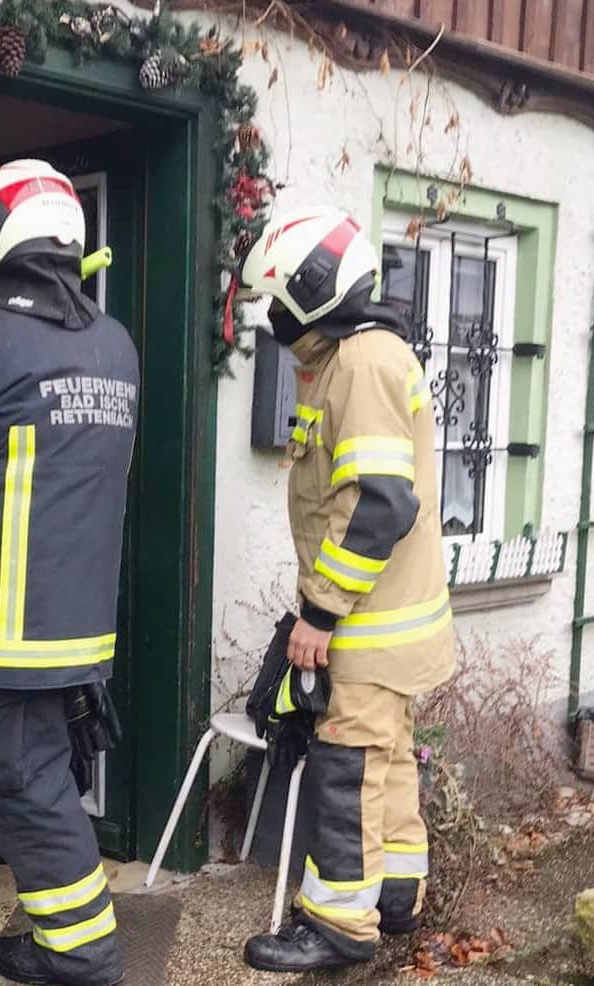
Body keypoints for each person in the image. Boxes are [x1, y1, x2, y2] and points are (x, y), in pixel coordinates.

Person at [0, 158, 138, 986]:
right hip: (81, 624)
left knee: (29, 783)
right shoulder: (114, 344)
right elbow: (27, 401)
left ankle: (81, 953)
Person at [234, 207, 455, 972]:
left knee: (347, 767)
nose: (277, 320)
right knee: (387, 760)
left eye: (281, 303)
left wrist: (320, 611)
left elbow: (378, 503)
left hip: (366, 623)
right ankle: (395, 898)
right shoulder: (369, 355)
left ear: (314, 294)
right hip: (395, 623)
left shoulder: (361, 364)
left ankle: (337, 924)